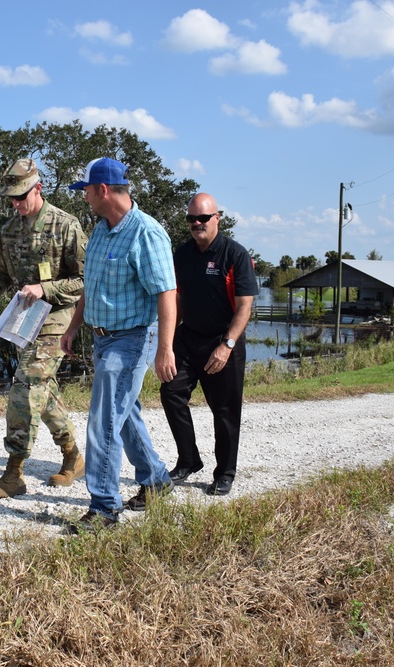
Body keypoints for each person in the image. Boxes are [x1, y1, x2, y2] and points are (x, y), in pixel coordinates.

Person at [60, 157, 178, 531]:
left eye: (86, 192)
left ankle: (105, 508)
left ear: (103, 190)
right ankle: (156, 479)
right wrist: (74, 327)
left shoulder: (146, 232)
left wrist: (165, 348)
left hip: (131, 339)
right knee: (123, 418)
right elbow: (91, 288)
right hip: (102, 338)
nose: (85, 198)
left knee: (103, 421)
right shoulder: (100, 230)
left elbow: (167, 292)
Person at [0, 158, 88, 498]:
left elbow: (86, 280)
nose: (16, 203)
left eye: (21, 196)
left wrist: (46, 289)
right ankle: (73, 456)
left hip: (58, 317)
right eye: (12, 198)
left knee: (26, 385)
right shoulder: (8, 231)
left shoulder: (66, 225)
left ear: (38, 188)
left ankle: (14, 472)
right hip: (25, 320)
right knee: (41, 387)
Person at [160, 192, 258, 496]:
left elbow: (244, 306)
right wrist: (166, 341)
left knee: (225, 410)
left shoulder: (235, 255)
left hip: (222, 340)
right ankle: (189, 460)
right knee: (171, 392)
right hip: (189, 337)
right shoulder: (182, 254)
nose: (197, 223)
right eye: (191, 219)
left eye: (203, 218)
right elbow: (174, 298)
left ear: (217, 218)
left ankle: (225, 472)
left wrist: (227, 345)